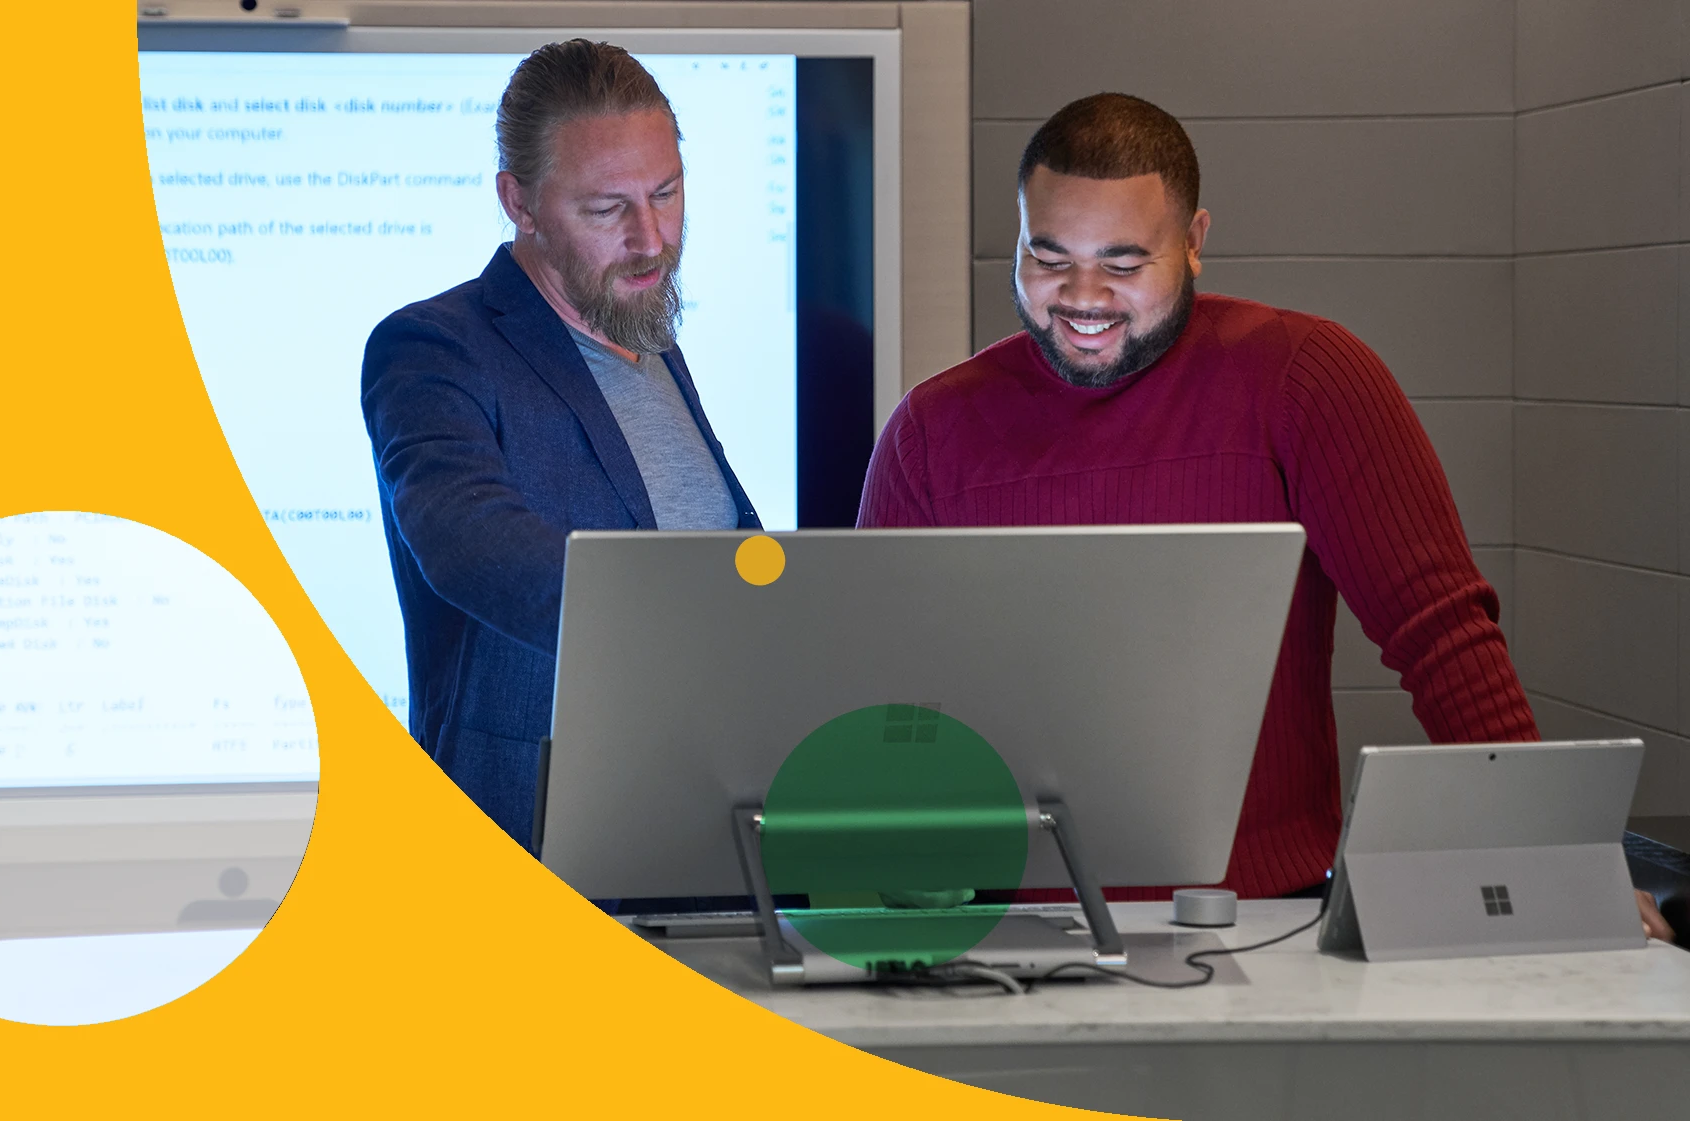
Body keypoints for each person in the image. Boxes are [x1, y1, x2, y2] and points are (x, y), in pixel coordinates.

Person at [856, 93, 1674, 940]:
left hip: (1264, 918)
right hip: (1000, 927)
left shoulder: (1306, 379)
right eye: (1048, 257)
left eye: (1125, 263)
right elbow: (875, 702)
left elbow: (1444, 639)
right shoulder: (931, 432)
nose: (1082, 296)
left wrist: (1558, 861)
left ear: (1195, 243)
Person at [362, 41, 758, 848]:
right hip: (529, 838)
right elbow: (473, 545)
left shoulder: (649, 346)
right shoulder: (434, 347)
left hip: (699, 832)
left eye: (667, 193)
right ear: (520, 201)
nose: (651, 239)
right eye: (607, 209)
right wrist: (681, 628)